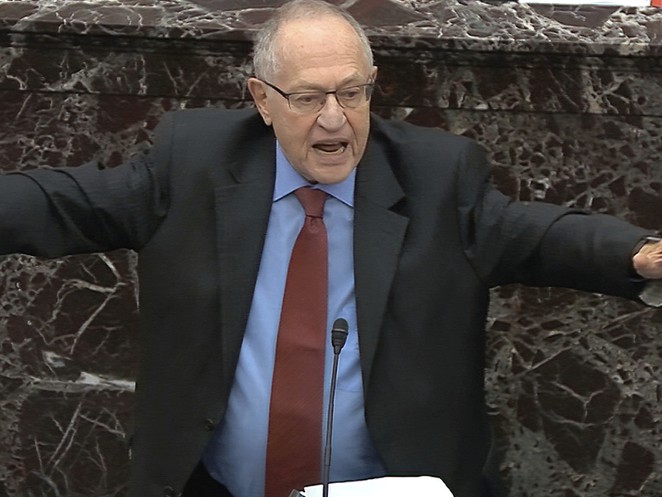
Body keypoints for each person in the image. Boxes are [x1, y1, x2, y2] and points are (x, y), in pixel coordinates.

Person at [1, 1, 660, 497]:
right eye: (308, 98)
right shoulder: (195, 163)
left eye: (351, 92)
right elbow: (64, 201)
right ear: (262, 100)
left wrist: (639, 254)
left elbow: (537, 233)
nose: (334, 118)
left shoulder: (436, 177)